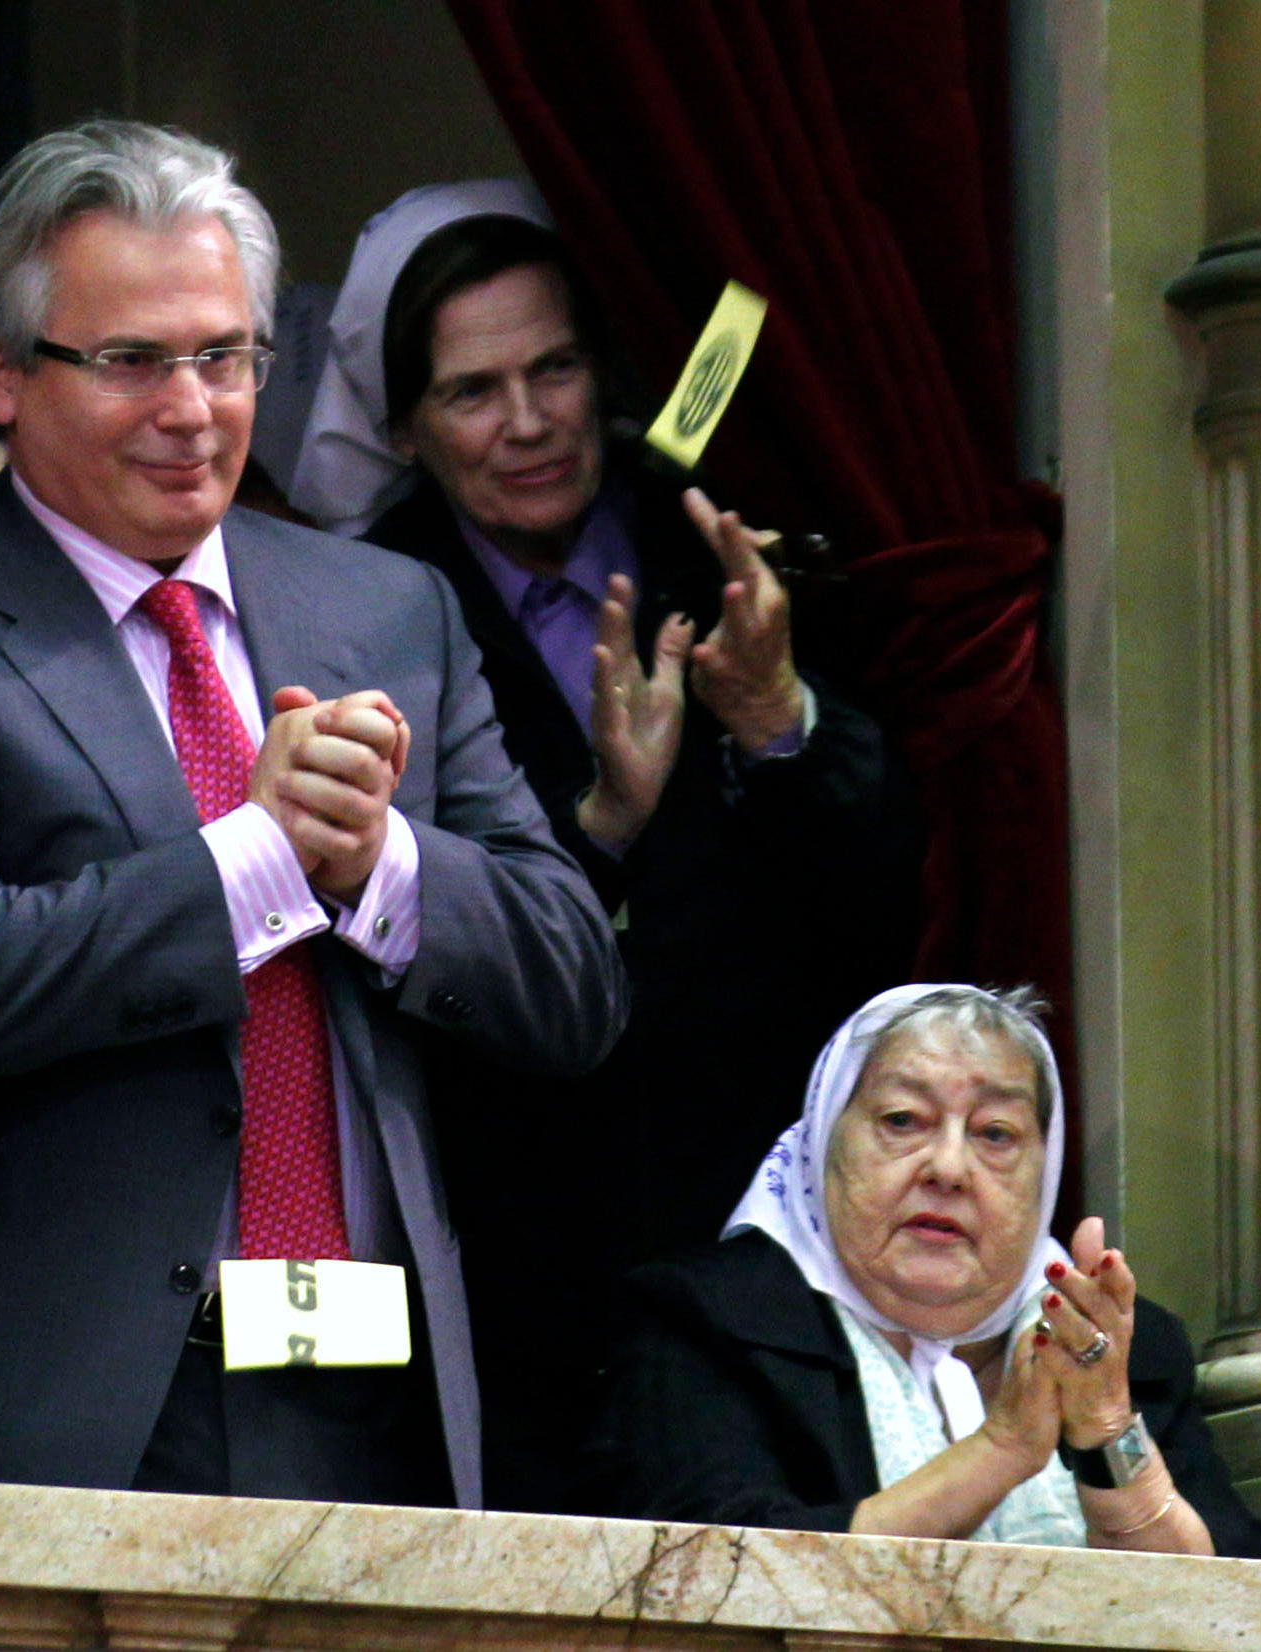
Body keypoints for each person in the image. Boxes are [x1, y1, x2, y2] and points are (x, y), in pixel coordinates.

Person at [0, 120, 624, 1508]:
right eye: (132, 361)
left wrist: (376, 861)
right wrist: (257, 863)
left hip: (370, 1389)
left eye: (224, 355)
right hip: (54, 1406)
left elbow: (573, 977)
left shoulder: (382, 606)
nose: (192, 407)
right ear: (3, 377)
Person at [293, 187, 919, 1510]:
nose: (527, 424)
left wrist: (777, 723)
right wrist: (600, 837)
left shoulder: (727, 531)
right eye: (473, 392)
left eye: (555, 369)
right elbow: (377, 971)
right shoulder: (357, 611)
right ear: (405, 425)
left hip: (767, 1234)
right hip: (507, 1263)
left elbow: (884, 901)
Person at [581, 984, 1261, 1558]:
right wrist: (1002, 1450)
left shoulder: (1111, 1344)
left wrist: (1105, 1428)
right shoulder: (707, 1321)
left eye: (995, 1134)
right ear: (825, 1143)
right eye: (902, 1120)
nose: (949, 1169)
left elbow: (1241, 1611)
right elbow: (716, 1581)